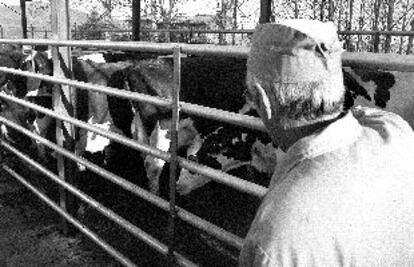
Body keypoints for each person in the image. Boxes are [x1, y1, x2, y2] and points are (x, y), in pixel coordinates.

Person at [240, 19, 414, 266]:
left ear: (265, 103)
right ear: (337, 85)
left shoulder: (274, 240)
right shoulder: (396, 130)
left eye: (250, 96)